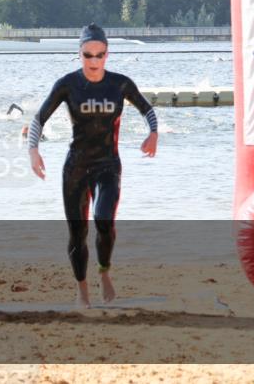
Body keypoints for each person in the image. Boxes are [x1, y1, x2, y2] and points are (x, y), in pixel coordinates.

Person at [28, 23, 158, 309]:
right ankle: (82, 290)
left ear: (107, 55)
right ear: (79, 54)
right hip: (75, 167)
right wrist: (33, 150)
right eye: (88, 55)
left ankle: (104, 271)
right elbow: (39, 118)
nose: (94, 62)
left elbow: (147, 110)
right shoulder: (67, 84)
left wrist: (153, 133)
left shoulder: (120, 83)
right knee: (78, 233)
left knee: (103, 220)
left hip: (108, 165)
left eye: (100, 55)